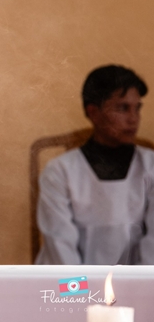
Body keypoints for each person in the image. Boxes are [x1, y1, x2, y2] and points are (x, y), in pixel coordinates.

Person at [36, 65, 154, 265]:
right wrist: (82, 286)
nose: (134, 119)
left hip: (136, 279)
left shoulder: (150, 166)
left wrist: (139, 283)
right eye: (122, 108)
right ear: (93, 112)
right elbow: (60, 247)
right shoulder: (59, 171)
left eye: (137, 108)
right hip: (71, 280)